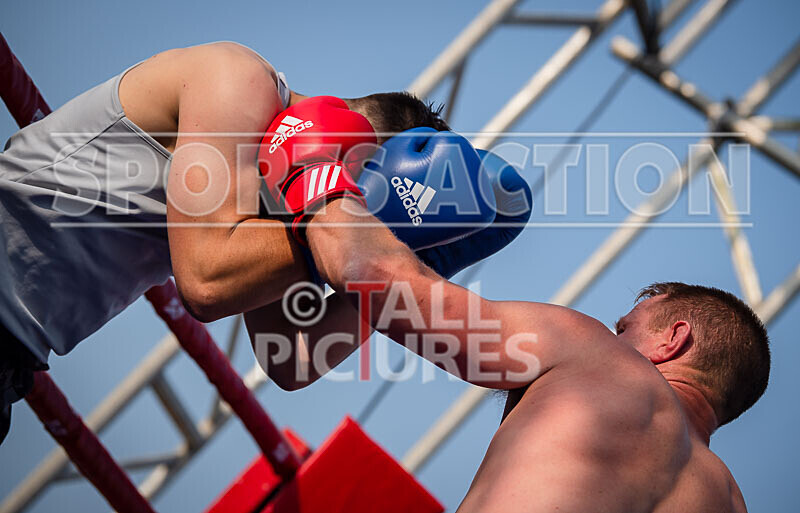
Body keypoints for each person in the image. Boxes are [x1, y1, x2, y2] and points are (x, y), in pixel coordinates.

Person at [255, 115, 770, 511]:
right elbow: (293, 359)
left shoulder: (601, 357)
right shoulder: (729, 500)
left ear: (673, 340)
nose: (614, 335)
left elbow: (383, 283)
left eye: (625, 327)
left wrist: (309, 173)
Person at [0, 40, 458, 444]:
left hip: (15, 354)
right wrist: (371, 239)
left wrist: (402, 268)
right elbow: (206, 283)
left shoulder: (279, 196)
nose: (348, 224)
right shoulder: (237, 78)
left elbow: (290, 358)